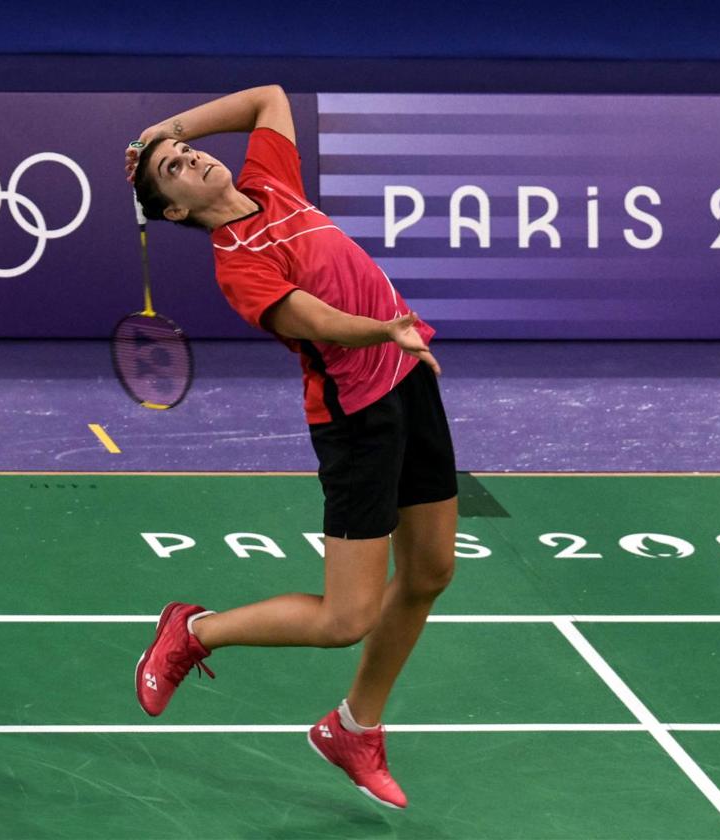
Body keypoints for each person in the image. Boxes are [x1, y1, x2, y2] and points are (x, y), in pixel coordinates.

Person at [125, 85, 458, 810]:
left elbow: (269, 98)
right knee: (346, 619)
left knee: (431, 570)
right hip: (358, 419)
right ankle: (195, 630)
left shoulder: (270, 182)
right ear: (175, 211)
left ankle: (353, 729)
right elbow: (316, 320)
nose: (193, 159)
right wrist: (385, 329)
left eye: (190, 152)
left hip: (409, 383)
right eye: (175, 170)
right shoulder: (235, 263)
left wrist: (163, 128)